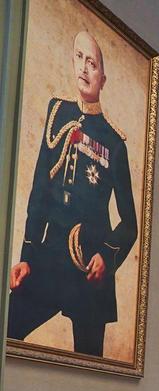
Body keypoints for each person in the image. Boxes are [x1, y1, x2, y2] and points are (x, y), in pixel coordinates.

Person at [7, 31, 137, 356]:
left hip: (89, 265)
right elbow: (39, 192)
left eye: (92, 63)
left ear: (102, 78)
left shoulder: (115, 144)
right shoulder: (57, 114)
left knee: (89, 368)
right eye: (79, 58)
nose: (83, 68)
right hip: (49, 256)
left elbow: (130, 222)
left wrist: (107, 257)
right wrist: (27, 257)